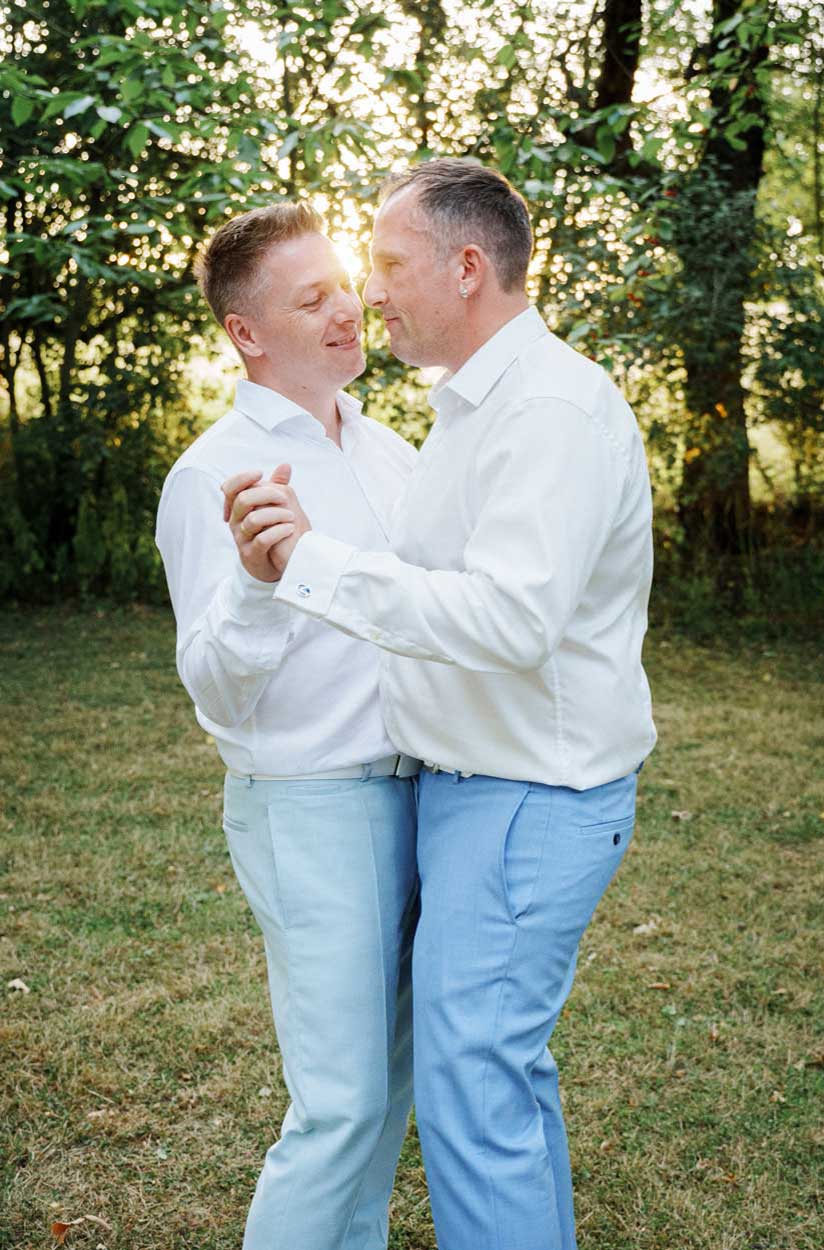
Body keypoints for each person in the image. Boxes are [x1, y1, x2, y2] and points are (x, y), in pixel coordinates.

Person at [225, 159, 657, 1250]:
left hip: (527, 795)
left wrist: (313, 567)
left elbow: (513, 619)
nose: (370, 293)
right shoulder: (472, 407)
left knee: (473, 1087)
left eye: (386, 265)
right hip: (479, 790)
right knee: (489, 1074)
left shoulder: (548, 410)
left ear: (468, 268)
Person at [155, 201, 420, 1250]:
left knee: (390, 1087)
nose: (348, 309)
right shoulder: (212, 474)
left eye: (344, 284)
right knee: (340, 1102)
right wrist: (264, 587)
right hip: (316, 805)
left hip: (426, 789)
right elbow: (214, 690)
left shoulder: (393, 450)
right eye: (312, 299)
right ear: (247, 333)